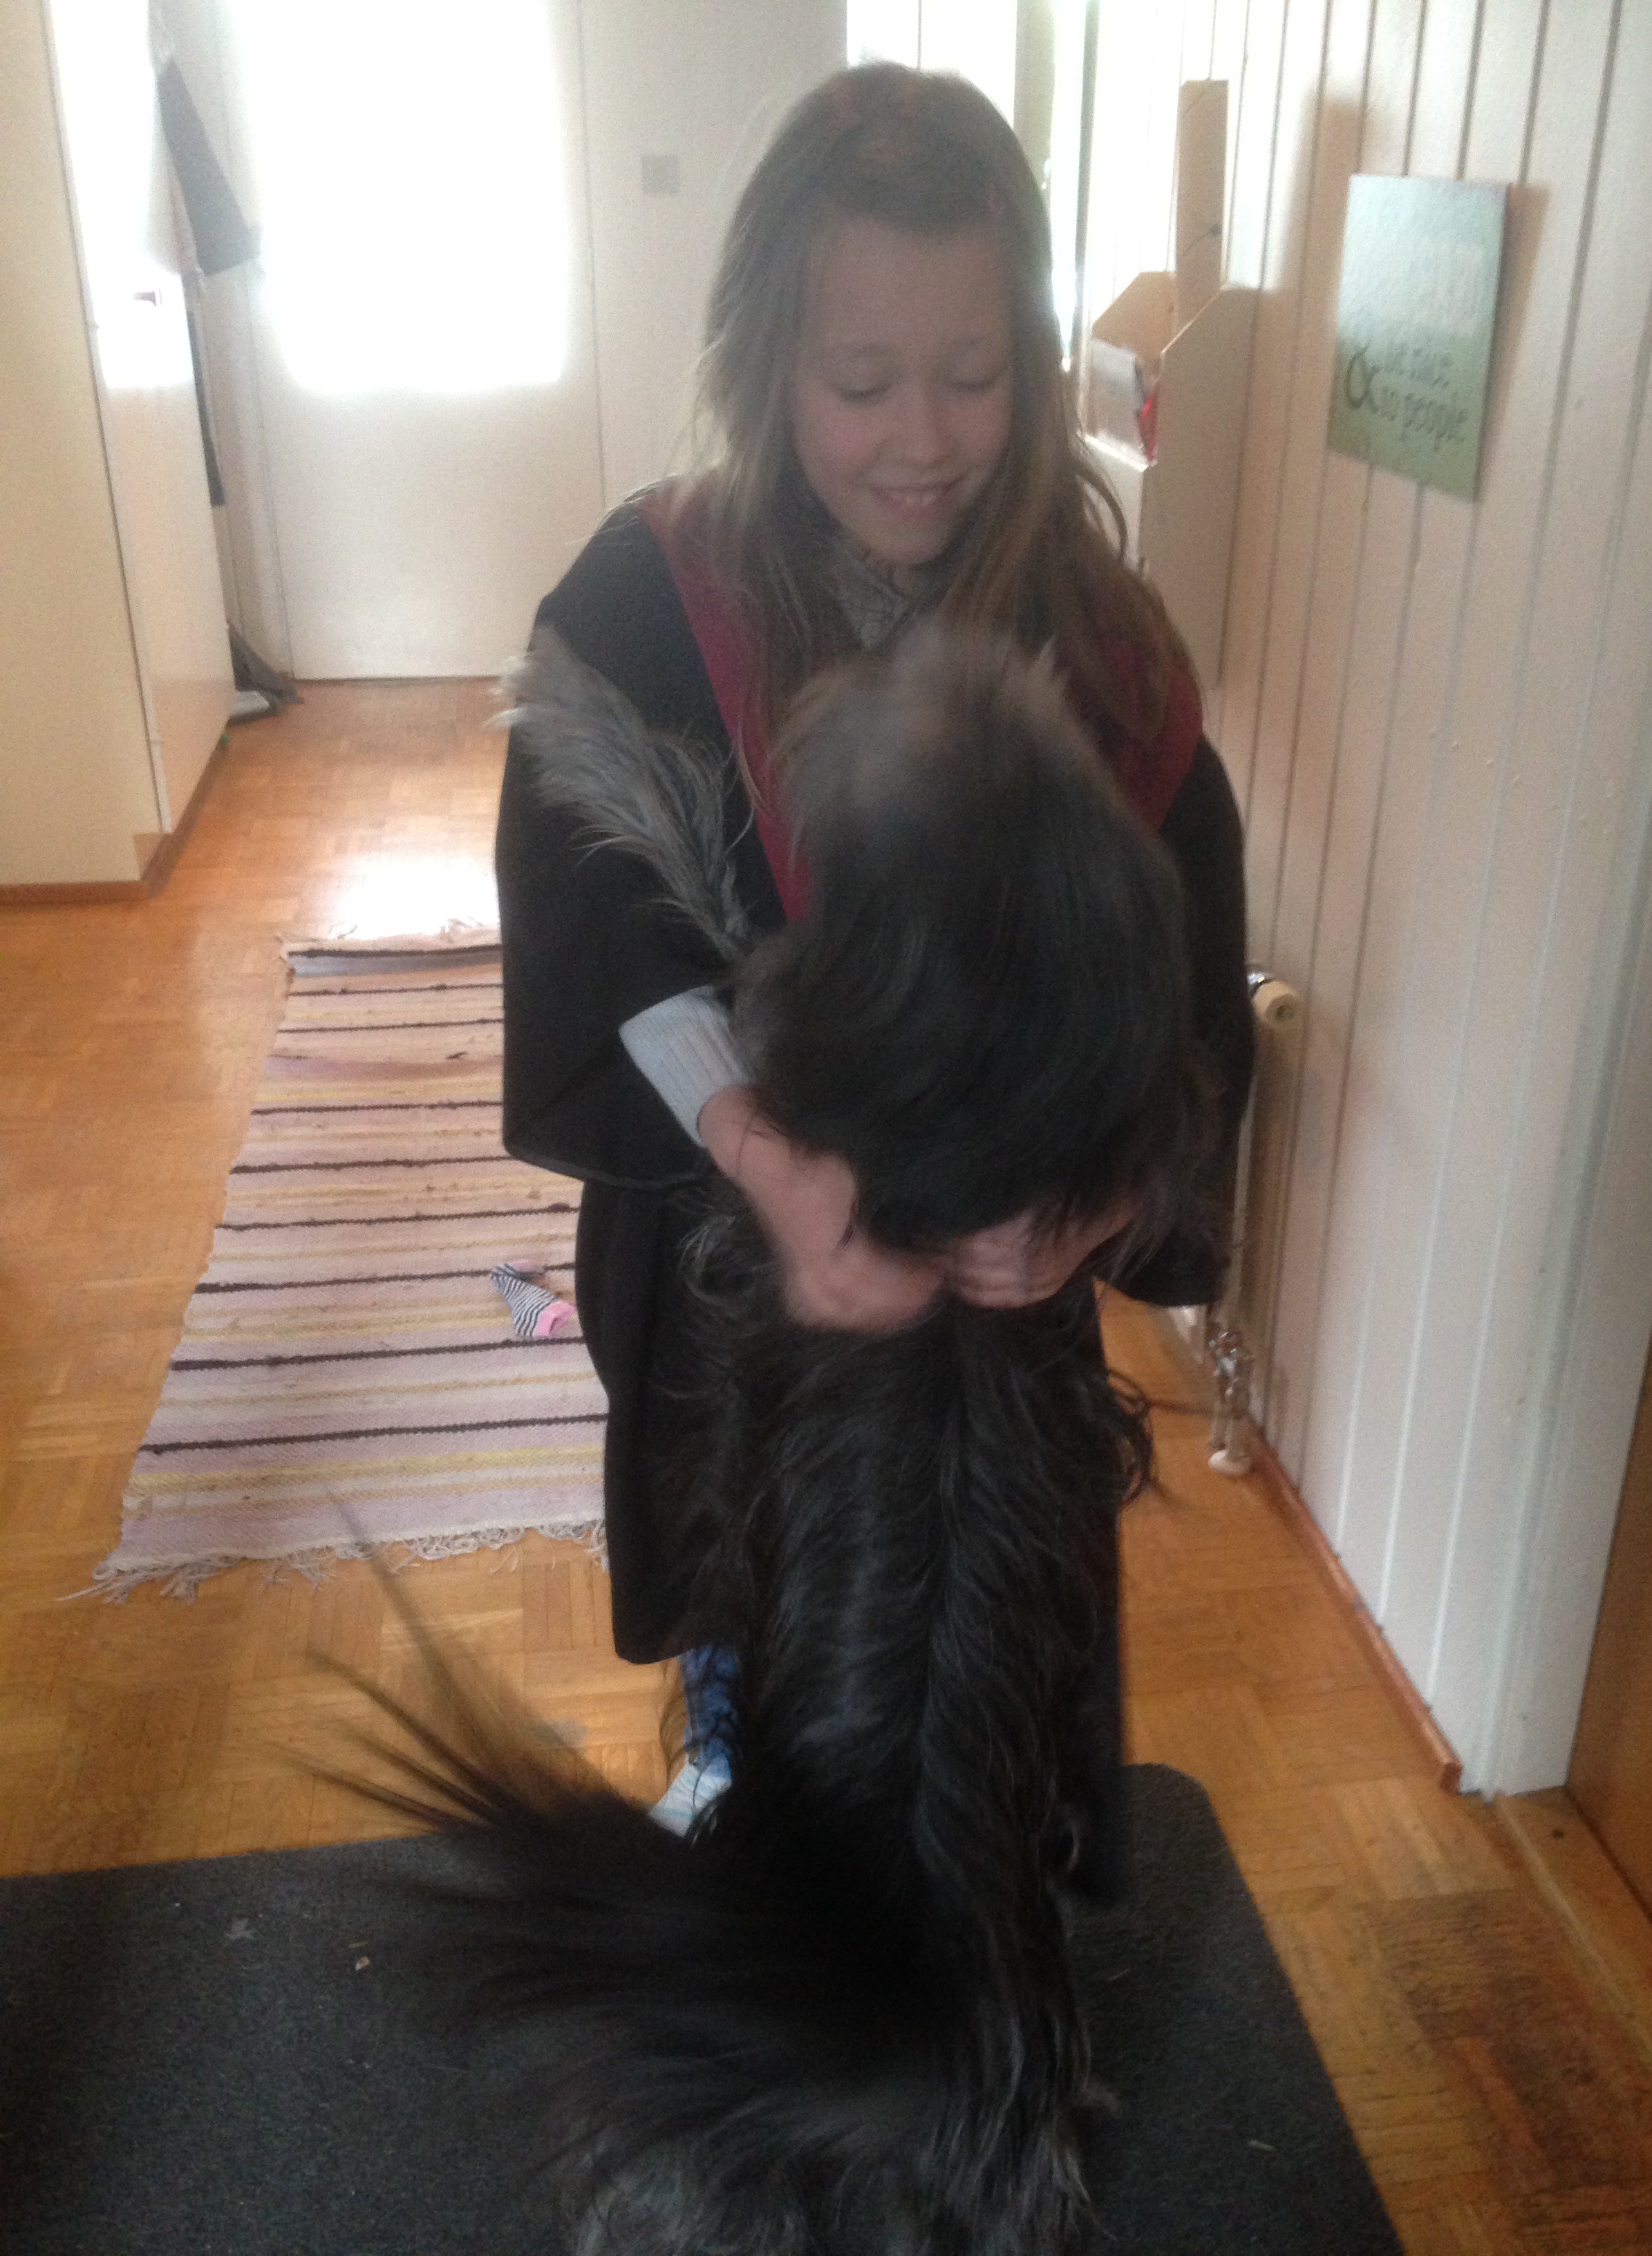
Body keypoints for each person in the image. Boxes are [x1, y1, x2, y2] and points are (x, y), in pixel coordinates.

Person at [495, 62, 1254, 1832]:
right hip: (733, 1272)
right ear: (771, 364)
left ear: (1033, 362)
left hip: (1002, 1323)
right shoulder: (652, 598)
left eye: (973, 377)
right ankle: (728, 1762)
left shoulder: (1103, 652)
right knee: (755, 1623)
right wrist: (766, 1155)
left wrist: (1096, 1206)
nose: (922, 439)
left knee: (976, 1686)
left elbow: (1186, 1010)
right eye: (861, 383)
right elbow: (607, 930)